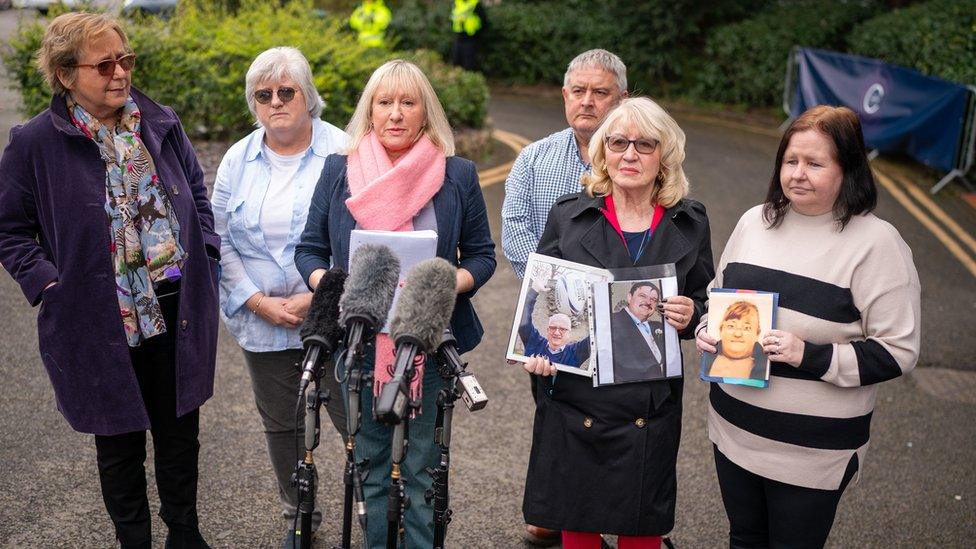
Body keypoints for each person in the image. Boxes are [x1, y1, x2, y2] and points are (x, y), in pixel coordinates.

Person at [0, 13, 218, 548]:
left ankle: (184, 534)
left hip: (174, 301)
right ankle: (134, 540)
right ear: (65, 74)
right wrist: (48, 282)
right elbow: (9, 228)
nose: (119, 73)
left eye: (125, 60)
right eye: (104, 64)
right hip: (96, 312)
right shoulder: (34, 143)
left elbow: (196, 190)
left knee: (179, 430)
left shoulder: (159, 121)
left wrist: (204, 252)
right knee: (118, 438)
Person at [696, 105, 920, 548]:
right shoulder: (753, 222)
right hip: (733, 433)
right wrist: (708, 326)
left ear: (848, 170)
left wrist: (810, 355)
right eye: (790, 161)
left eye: (815, 164)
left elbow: (899, 351)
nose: (798, 174)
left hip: (812, 453)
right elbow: (718, 297)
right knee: (743, 539)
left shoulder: (877, 244)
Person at [294, 59, 495, 549]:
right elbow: (309, 251)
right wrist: (344, 286)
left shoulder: (458, 175)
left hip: (427, 339)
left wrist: (442, 284)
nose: (396, 114)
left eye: (408, 102)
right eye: (385, 102)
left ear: (426, 113)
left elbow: (484, 257)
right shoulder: (340, 171)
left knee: (423, 473)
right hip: (360, 340)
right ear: (370, 109)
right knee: (371, 468)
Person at [521, 97, 714, 549]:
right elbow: (543, 305)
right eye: (618, 142)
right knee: (580, 531)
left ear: (664, 155)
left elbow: (705, 297)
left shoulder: (691, 220)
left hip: (648, 406)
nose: (630, 154)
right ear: (602, 152)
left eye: (644, 144)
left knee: (641, 533)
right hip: (577, 401)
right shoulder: (569, 215)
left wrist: (693, 315)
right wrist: (540, 352)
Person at [210, 46, 349, 548]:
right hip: (261, 318)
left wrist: (317, 296)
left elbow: (363, 234)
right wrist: (254, 300)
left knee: (355, 417)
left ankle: (375, 506)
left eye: (286, 91)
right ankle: (300, 513)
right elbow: (217, 238)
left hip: (331, 312)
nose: (275, 102)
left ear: (307, 95)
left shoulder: (345, 150)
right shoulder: (237, 159)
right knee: (282, 424)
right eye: (262, 94)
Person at [518, 277, 590, 369]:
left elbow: (598, 335)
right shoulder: (534, 342)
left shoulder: (576, 353)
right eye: (553, 327)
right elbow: (522, 320)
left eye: (563, 329)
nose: (556, 332)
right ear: (547, 330)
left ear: (569, 333)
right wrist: (534, 290)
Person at [610, 282, 665, 382]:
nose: (648, 302)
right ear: (629, 297)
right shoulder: (611, 322)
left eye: (653, 300)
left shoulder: (659, 327)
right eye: (643, 296)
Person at [702, 300, 765, 380]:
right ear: (721, 330)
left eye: (746, 328)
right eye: (731, 326)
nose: (738, 334)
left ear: (757, 334)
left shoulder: (764, 366)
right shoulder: (708, 358)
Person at [450, 0, 486, 71]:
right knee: (456, 62)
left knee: (469, 64)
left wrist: (479, 36)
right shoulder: (457, 3)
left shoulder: (475, 4)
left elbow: (484, 22)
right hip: (459, 38)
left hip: (471, 39)